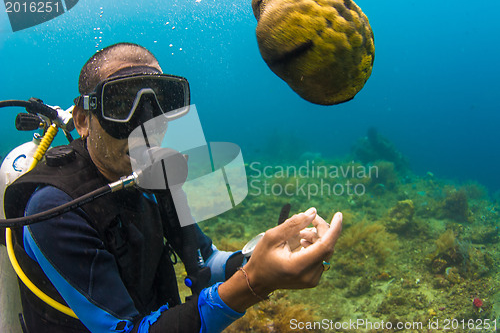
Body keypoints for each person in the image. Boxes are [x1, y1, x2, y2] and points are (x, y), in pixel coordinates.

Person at [4, 42, 343, 333]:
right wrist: (253, 283)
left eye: (162, 104)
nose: (147, 125)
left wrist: (262, 255)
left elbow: (205, 259)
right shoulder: (54, 210)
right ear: (82, 119)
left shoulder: (157, 173)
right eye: (122, 104)